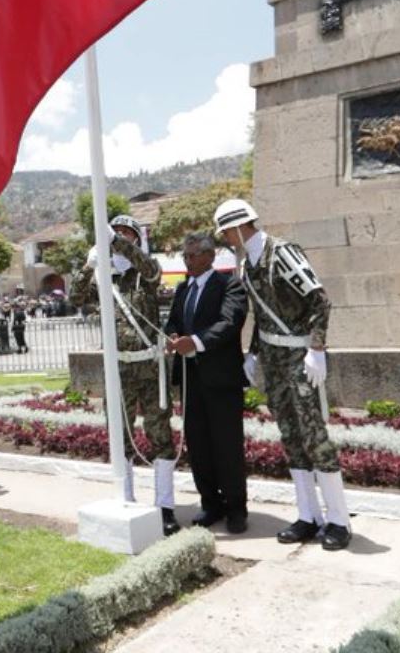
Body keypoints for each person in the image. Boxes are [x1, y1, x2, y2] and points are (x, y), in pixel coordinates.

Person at [214, 198, 351, 551]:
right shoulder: (246, 267)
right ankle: (309, 515)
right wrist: (253, 354)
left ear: (240, 227)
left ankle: (338, 520)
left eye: (227, 232)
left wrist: (317, 349)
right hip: (274, 361)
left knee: (315, 436)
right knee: (290, 436)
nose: (227, 240)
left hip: (300, 356)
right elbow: (261, 317)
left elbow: (320, 300)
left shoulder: (283, 253)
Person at [71, 215, 182, 534]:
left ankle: (165, 506)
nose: (120, 240)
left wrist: (116, 242)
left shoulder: (144, 274)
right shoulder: (102, 278)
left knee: (159, 434)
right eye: (115, 235)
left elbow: (151, 268)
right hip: (118, 367)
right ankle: (128, 499)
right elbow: (76, 298)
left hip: (148, 365)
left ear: (136, 241)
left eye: (127, 235)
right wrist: (89, 265)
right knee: (120, 435)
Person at [164, 232, 249, 534]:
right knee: (198, 444)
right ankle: (210, 503)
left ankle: (237, 508)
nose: (188, 261)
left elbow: (229, 322)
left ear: (210, 256)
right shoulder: (183, 289)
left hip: (221, 380)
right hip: (191, 380)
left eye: (193, 255)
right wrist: (173, 337)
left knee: (226, 445)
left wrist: (196, 342)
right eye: (185, 256)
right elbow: (173, 321)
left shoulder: (230, 285)